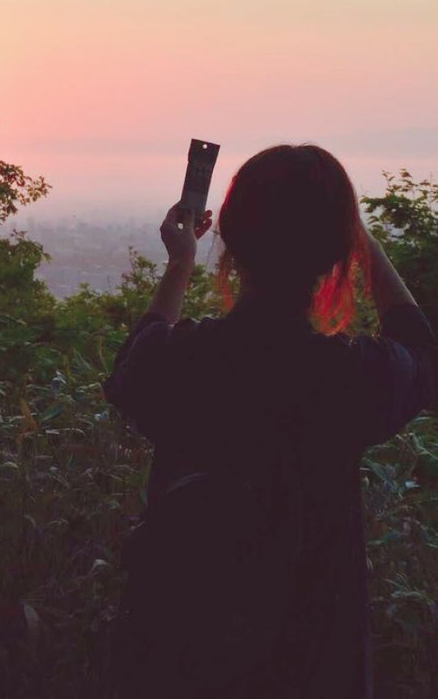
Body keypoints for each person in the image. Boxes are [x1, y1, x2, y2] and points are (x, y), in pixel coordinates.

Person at [102, 143, 437, 699]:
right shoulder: (347, 377)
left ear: (231, 240)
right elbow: (421, 353)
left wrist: (181, 263)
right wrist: (364, 243)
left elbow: (134, 363)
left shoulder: (188, 363)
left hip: (180, 655)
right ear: (335, 253)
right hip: (313, 659)